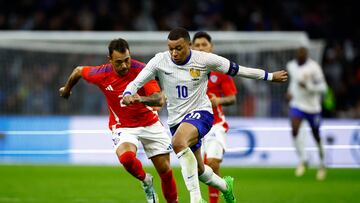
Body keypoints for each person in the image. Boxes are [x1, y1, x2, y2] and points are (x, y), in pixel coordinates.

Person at [122, 27, 288, 203]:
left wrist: (270, 76)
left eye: (178, 48)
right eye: (171, 48)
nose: (174, 52)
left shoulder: (205, 60)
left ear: (189, 45)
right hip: (176, 120)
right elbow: (136, 82)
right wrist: (127, 94)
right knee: (200, 170)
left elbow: (240, 70)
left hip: (202, 113)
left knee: (178, 142)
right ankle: (226, 186)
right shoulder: (160, 60)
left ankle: (196, 199)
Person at [59, 38, 178, 203]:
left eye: (127, 60)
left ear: (130, 55)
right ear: (110, 60)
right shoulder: (101, 73)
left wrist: (139, 99)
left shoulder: (143, 70)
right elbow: (78, 71)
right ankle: (146, 181)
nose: (124, 66)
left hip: (150, 123)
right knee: (126, 158)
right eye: (119, 62)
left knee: (165, 170)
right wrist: (66, 89)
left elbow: (159, 100)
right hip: (124, 126)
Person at [192, 31, 237, 203]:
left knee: (212, 163)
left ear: (211, 47)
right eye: (197, 45)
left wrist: (218, 100)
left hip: (216, 125)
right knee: (197, 168)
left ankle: (212, 201)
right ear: (191, 47)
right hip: (194, 126)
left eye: (204, 45)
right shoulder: (186, 71)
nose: (201, 48)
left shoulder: (221, 69)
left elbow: (232, 98)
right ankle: (225, 188)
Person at [286, 47, 327, 181]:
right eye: (298, 54)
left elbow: (323, 88)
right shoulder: (291, 65)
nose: (299, 57)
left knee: (316, 135)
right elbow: (293, 82)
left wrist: (309, 87)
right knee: (294, 130)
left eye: (301, 55)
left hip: (313, 108)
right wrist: (290, 92)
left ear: (306, 56)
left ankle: (322, 165)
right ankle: (303, 160)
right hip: (298, 104)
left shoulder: (314, 67)